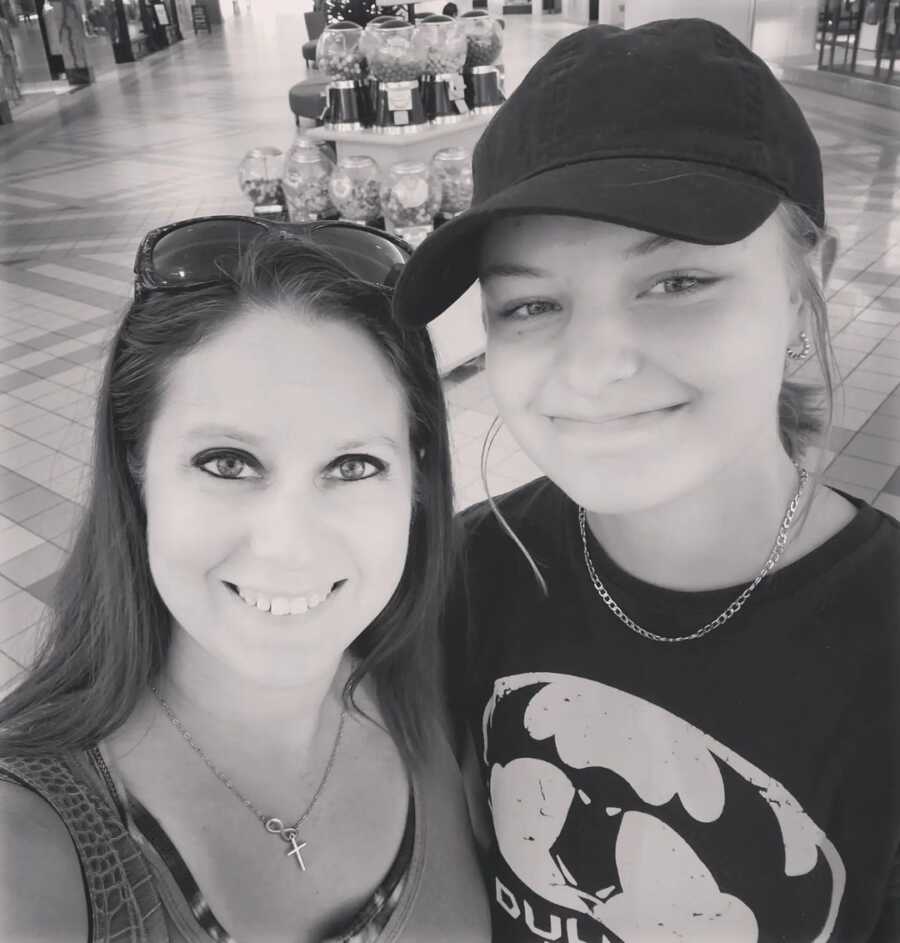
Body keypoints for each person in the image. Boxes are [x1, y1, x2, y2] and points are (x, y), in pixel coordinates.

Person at [393, 20, 900, 943]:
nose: (594, 368)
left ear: (803, 288)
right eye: (531, 304)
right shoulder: (467, 573)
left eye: (676, 282)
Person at [0, 218, 491, 943]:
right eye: (228, 462)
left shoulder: (451, 687)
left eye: (353, 465)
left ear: (417, 477)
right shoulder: (27, 846)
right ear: (136, 466)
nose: (288, 545)